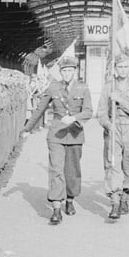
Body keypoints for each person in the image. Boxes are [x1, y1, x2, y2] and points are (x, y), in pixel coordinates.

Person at [22, 55, 93, 225]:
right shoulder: (53, 88)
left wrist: (75, 117)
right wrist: (27, 129)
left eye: (70, 70)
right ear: (60, 72)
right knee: (56, 169)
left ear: (75, 71)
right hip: (56, 134)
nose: (67, 73)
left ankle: (69, 199)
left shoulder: (83, 88)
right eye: (64, 71)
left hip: (75, 135)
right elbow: (40, 109)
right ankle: (56, 207)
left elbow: (89, 111)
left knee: (72, 172)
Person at [97, 54, 129, 220]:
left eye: (125, 67)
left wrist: (121, 100)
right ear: (115, 68)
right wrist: (108, 125)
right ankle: (115, 202)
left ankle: (125, 196)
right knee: (112, 164)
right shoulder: (108, 87)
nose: (123, 70)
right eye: (120, 67)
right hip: (113, 128)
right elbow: (101, 113)